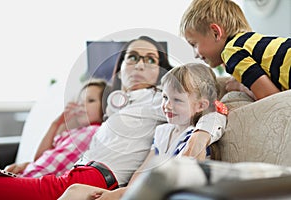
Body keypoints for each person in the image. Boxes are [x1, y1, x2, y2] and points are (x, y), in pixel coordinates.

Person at [0, 36, 224, 200]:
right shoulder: (115, 107)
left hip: (97, 178)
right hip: (76, 175)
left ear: (159, 72)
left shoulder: (158, 100)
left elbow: (209, 109)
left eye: (150, 59)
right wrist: (31, 167)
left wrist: (201, 136)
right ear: (120, 69)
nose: (140, 64)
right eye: (132, 57)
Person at [57, 63, 227, 200]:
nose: (167, 105)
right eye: (165, 97)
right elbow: (141, 172)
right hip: (141, 191)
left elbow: (180, 181)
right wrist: (121, 193)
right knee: (76, 190)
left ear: (201, 105)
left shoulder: (193, 136)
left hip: (164, 193)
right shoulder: (163, 132)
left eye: (177, 100)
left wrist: (119, 194)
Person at [180, 0, 291, 100]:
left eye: (194, 44)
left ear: (216, 33)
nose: (195, 55)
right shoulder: (251, 43)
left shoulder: (232, 52)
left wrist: (240, 86)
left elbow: (272, 97)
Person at [4, 79, 108, 177]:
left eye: (90, 100)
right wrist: (55, 124)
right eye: (80, 101)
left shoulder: (96, 132)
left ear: (105, 105)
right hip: (27, 176)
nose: (81, 105)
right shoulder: (72, 133)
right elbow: (39, 158)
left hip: (34, 180)